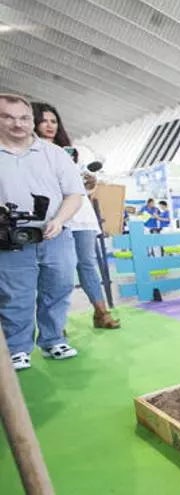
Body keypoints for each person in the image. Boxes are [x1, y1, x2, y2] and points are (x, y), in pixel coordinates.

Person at [0, 93, 85, 370]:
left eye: (24, 118)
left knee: (59, 288)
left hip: (55, 235)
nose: (18, 124)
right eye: (8, 117)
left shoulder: (55, 154)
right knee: (15, 295)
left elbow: (74, 194)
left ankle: (53, 339)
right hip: (10, 239)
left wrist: (59, 220)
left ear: (31, 120)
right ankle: (17, 348)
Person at [32, 102, 120, 330]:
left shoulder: (70, 152)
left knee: (87, 263)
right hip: (52, 215)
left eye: (54, 121)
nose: (49, 125)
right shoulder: (28, 152)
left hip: (80, 214)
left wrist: (89, 184)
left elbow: (80, 187)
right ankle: (54, 324)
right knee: (56, 269)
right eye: (43, 121)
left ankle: (101, 312)